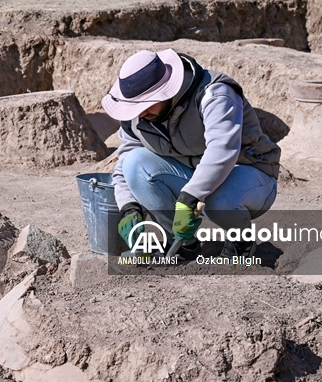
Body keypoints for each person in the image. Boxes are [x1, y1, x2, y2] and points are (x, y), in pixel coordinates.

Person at [102, 49, 280, 257]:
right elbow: (125, 161)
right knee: (134, 163)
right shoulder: (138, 116)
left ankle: (241, 241)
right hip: (194, 175)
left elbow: (222, 150)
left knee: (217, 198)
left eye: (147, 104)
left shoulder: (215, 94)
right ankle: (183, 244)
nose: (141, 113)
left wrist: (190, 197)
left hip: (251, 176)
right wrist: (128, 207)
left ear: (166, 90)